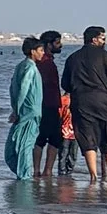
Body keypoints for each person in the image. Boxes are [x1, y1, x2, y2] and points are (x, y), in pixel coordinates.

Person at [64, 23, 107, 189]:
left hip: (81, 102)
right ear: (95, 39)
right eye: (103, 37)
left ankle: (93, 176)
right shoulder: (103, 55)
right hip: (104, 101)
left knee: (87, 137)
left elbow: (66, 84)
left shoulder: (72, 58)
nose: (105, 40)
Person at [33, 31, 73, 179]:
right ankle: (46, 170)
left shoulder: (43, 61)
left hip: (47, 104)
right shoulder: (45, 62)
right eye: (57, 42)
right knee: (53, 138)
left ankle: (39, 170)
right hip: (48, 104)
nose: (60, 45)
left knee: (42, 138)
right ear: (49, 44)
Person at [5, 36, 43, 179]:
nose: (42, 53)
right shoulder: (30, 68)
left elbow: (12, 88)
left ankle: (22, 174)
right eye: (40, 50)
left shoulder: (20, 66)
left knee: (18, 144)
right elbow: (23, 89)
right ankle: (25, 176)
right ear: (33, 51)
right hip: (29, 112)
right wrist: (17, 110)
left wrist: (15, 107)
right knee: (25, 145)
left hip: (24, 111)